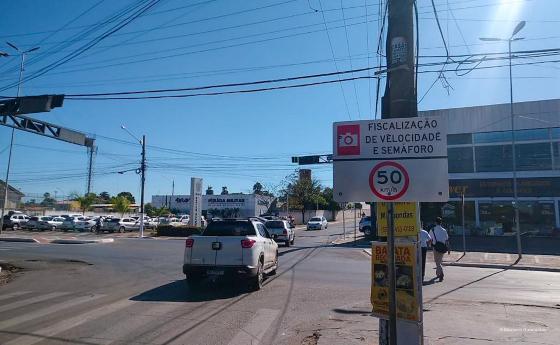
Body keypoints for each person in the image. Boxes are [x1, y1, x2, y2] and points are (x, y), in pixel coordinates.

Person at [429, 217, 450, 282]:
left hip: (436, 247)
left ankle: (441, 274)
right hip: (443, 248)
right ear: (441, 222)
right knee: (439, 261)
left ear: (435, 222)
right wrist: (448, 248)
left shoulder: (432, 230)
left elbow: (430, 239)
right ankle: (438, 274)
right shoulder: (444, 230)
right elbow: (447, 240)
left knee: (437, 262)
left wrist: (430, 245)